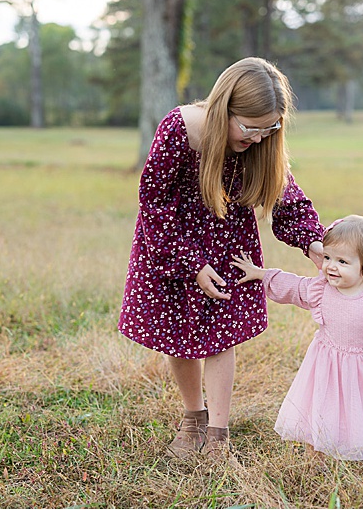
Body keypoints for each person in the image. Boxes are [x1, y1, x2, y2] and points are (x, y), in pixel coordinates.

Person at [118, 58, 324, 464]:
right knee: (179, 334)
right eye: (250, 127)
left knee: (220, 338)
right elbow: (154, 203)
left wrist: (313, 242)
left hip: (227, 246)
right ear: (224, 107)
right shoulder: (180, 129)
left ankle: (218, 435)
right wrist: (190, 263)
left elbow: (285, 194)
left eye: (270, 129)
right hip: (173, 247)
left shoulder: (260, 144)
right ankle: (194, 416)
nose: (259, 138)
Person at [233, 213, 363, 464]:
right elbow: (293, 287)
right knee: (320, 412)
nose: (330, 266)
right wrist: (262, 275)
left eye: (342, 261)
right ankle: (316, 463)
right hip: (326, 367)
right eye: (328, 257)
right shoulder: (321, 289)